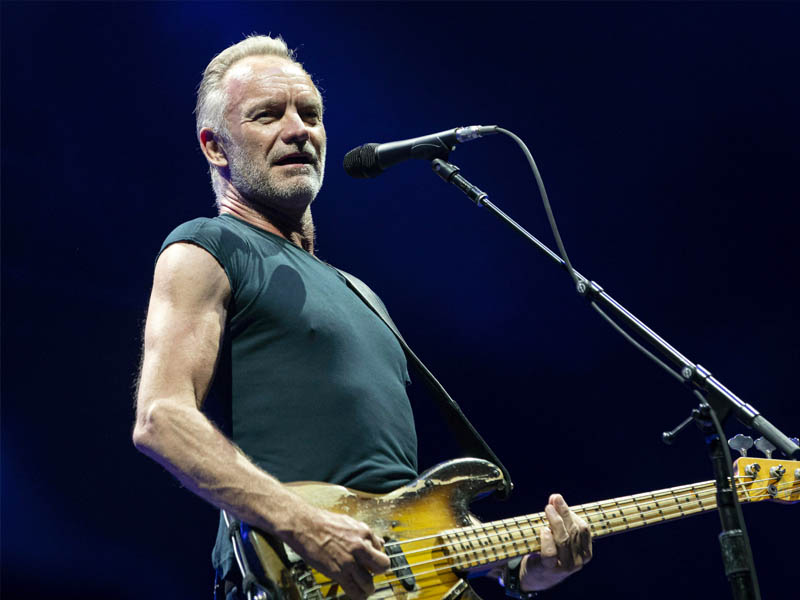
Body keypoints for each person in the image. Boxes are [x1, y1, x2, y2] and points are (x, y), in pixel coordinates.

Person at [133, 35, 592, 600]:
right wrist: (302, 522)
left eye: (311, 114)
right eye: (267, 115)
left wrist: (528, 572)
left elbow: (403, 507)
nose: (299, 129)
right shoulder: (206, 248)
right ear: (215, 147)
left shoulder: (364, 296)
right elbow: (161, 417)